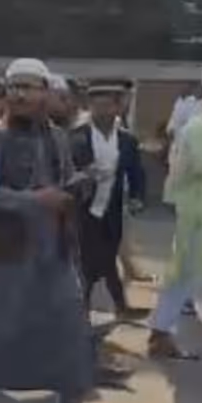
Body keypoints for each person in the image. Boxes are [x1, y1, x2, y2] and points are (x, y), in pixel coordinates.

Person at [0, 58, 121, 403]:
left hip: (54, 251)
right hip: (5, 254)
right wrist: (35, 200)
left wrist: (79, 183)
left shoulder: (57, 139)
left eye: (30, 87)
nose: (21, 95)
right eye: (15, 87)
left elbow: (59, 183)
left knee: (69, 330)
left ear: (47, 93)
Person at [147, 69, 202, 361]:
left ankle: (161, 335)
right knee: (189, 277)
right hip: (201, 214)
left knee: (197, 277)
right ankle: (160, 335)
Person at [69, 81, 147, 319]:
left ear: (117, 107)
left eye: (107, 105)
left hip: (112, 210)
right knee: (87, 261)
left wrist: (137, 197)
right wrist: (83, 175)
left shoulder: (127, 140)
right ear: (90, 107)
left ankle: (115, 307)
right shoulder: (76, 137)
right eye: (97, 106)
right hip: (84, 209)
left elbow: (136, 172)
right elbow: (65, 170)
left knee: (108, 257)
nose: (102, 111)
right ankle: (88, 310)